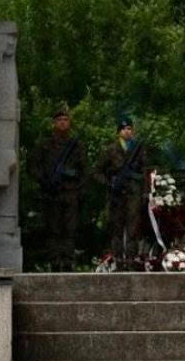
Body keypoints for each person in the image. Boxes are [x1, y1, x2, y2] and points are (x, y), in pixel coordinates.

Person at [29, 105, 88, 267]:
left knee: (70, 229)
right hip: (52, 192)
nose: (63, 123)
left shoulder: (76, 146)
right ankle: (54, 261)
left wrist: (79, 189)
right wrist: (44, 181)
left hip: (70, 192)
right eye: (60, 120)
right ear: (54, 123)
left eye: (66, 120)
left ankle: (68, 261)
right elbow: (33, 166)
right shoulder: (45, 145)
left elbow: (84, 170)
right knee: (53, 228)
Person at [93, 117, 152, 267]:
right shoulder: (111, 149)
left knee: (133, 227)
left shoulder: (138, 149)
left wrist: (145, 192)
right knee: (117, 227)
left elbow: (145, 171)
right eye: (125, 129)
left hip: (134, 192)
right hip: (116, 194)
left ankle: (131, 259)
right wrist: (109, 182)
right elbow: (97, 171)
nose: (128, 131)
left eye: (130, 129)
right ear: (119, 132)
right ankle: (118, 259)